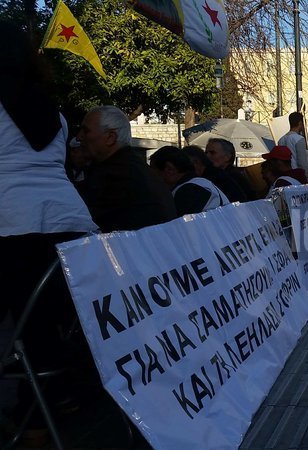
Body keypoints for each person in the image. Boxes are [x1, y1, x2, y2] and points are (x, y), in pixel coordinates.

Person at [1, 24, 97, 443]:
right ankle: (47, 399)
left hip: (13, 223)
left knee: (29, 323)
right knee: (45, 321)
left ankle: (36, 418)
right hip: (70, 222)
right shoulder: (56, 115)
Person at [78, 105, 178, 232]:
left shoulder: (114, 175)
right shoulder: (135, 168)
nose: (79, 137)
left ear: (110, 137)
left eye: (86, 131)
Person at [148, 145, 230, 215]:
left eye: (155, 173)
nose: (153, 179)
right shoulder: (203, 184)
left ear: (169, 169)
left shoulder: (188, 191)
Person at [183, 145, 248, 203]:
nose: (208, 156)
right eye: (206, 152)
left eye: (212, 153)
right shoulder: (217, 175)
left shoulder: (213, 179)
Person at [278, 111, 308, 180]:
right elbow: (302, 163)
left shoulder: (281, 140)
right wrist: (306, 178)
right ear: (300, 123)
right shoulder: (299, 139)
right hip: (297, 176)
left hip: (285, 176)